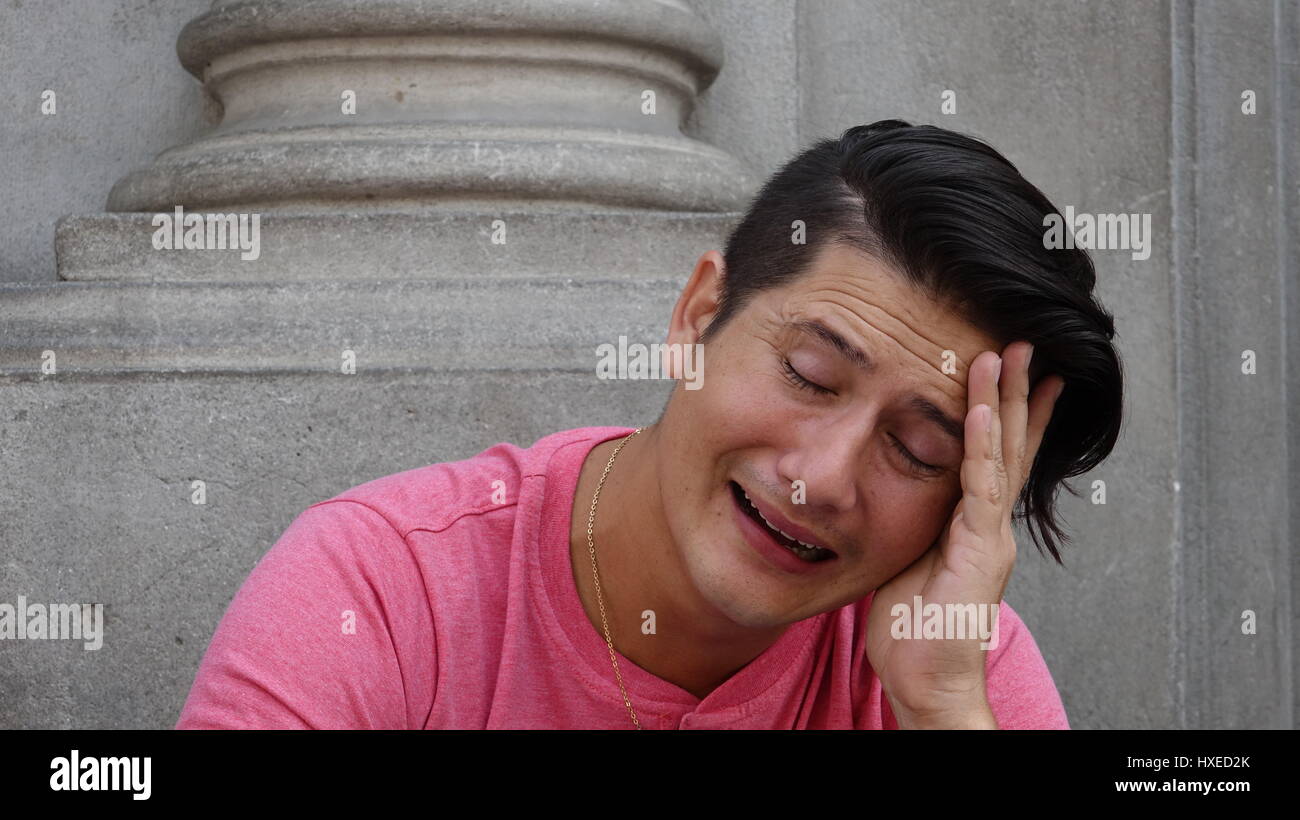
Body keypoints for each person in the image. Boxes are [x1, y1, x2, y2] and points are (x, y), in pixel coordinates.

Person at [176, 120, 1123, 729]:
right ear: (699, 317)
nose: (823, 477)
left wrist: (942, 706)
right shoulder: (383, 590)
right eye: (809, 374)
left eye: (917, 451)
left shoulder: (949, 662)